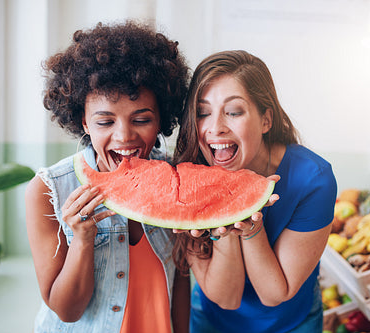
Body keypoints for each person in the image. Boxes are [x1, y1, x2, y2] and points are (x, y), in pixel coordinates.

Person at [25, 21, 190, 333]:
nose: (124, 136)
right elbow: (66, 310)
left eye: (141, 119)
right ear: (83, 122)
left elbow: (181, 283)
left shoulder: (174, 180)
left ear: (161, 120)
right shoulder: (50, 190)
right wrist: (83, 240)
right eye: (105, 122)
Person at [172, 50, 337, 333]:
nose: (215, 128)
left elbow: (276, 293)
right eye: (202, 113)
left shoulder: (313, 179)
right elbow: (226, 297)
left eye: (234, 112)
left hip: (293, 323)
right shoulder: (186, 176)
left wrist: (250, 229)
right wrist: (225, 211)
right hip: (214, 321)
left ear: (265, 120)